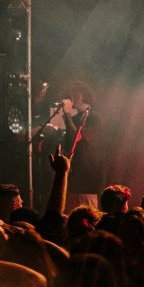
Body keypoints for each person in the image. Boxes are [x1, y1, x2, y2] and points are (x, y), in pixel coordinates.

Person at [58, 80, 104, 210]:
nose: (72, 99)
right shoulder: (74, 118)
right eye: (70, 96)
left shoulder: (94, 118)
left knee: (88, 214)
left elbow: (77, 138)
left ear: (84, 96)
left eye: (75, 95)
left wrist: (67, 115)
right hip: (73, 176)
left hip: (87, 179)